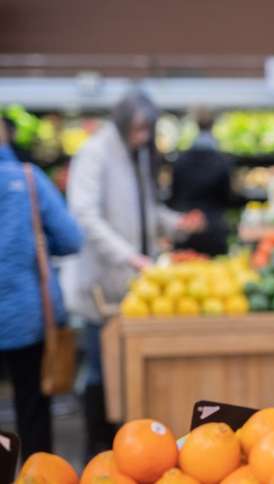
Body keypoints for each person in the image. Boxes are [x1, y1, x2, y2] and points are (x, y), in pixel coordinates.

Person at [64, 90, 203, 459]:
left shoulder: (135, 156)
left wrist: (178, 223)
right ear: (124, 121)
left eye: (148, 129)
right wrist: (130, 257)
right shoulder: (94, 153)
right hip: (102, 281)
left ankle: (127, 444)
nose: (145, 136)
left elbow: (146, 210)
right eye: (140, 128)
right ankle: (97, 449)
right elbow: (84, 216)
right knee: (100, 370)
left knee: (124, 374)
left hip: (132, 282)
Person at [0, 116, 83, 459]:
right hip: (27, 320)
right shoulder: (29, 180)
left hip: (23, 316)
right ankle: (37, 474)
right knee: (32, 410)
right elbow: (72, 239)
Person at [168, 107, 232, 256]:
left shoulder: (180, 160)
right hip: (214, 231)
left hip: (185, 229)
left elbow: (173, 195)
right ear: (214, 125)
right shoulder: (223, 162)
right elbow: (227, 198)